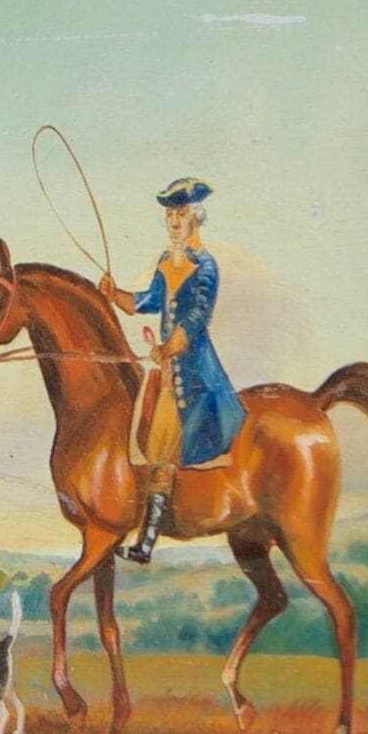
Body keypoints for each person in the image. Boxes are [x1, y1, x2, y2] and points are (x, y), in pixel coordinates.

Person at [115, 178, 245, 563]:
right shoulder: (165, 261)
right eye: (170, 214)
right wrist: (113, 295)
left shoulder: (205, 266)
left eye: (181, 214)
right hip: (168, 366)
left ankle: (146, 543)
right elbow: (148, 300)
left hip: (193, 374)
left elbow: (198, 316)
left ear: (195, 217)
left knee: (160, 449)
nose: (174, 221)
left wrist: (169, 347)